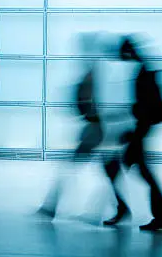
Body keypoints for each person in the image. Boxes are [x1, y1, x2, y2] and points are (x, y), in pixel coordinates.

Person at [102, 36, 162, 231]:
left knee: (119, 167)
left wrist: (134, 131)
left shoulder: (143, 73)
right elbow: (143, 106)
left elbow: (146, 107)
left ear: (127, 52)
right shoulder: (145, 70)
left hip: (141, 129)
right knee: (133, 169)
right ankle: (157, 216)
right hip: (140, 130)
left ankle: (154, 216)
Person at [37, 64, 103, 219]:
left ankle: (51, 206)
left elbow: (82, 104)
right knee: (112, 173)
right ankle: (51, 206)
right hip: (98, 132)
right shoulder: (100, 79)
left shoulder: (94, 78)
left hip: (96, 133)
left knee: (71, 168)